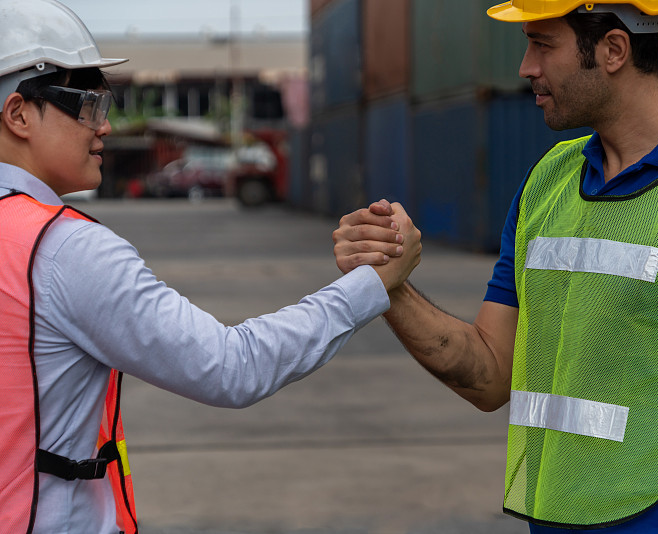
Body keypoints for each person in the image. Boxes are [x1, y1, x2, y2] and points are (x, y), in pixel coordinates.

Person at [333, 1, 658, 532]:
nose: (526, 67)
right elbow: (490, 376)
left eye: (543, 44)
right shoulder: (546, 183)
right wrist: (389, 287)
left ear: (614, 50)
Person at [0, 1, 420, 532]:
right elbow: (231, 367)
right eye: (86, 105)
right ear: (17, 114)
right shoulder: (63, 250)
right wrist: (369, 284)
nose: (103, 127)